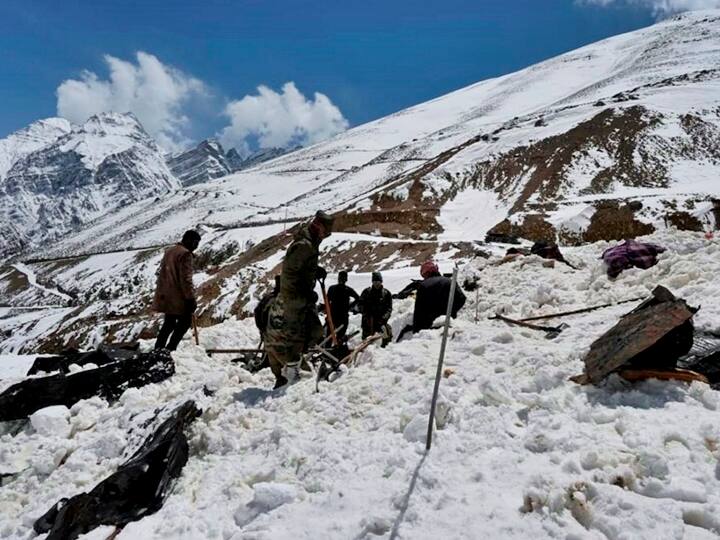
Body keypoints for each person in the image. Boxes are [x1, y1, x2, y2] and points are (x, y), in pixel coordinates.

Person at [265, 211, 333, 388]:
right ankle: (288, 374)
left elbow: (302, 267)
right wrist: (304, 293)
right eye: (325, 233)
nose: (325, 237)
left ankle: (294, 365)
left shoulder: (310, 243)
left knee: (315, 331)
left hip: (301, 296)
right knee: (293, 336)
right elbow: (290, 273)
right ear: (318, 227)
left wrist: (314, 270)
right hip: (293, 298)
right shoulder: (305, 245)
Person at [152, 230, 201, 351]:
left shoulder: (170, 250)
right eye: (196, 243)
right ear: (189, 241)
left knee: (169, 323)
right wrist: (190, 299)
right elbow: (186, 280)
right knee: (185, 321)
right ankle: (170, 348)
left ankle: (158, 348)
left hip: (166, 294)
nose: (196, 246)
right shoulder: (185, 254)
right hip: (178, 297)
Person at [412, 260, 466, 333]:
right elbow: (462, 299)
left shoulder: (424, 285)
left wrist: (416, 330)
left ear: (426, 273)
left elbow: (419, 311)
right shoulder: (450, 281)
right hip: (449, 324)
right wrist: (451, 312)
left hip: (430, 327)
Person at [360, 272, 393, 346]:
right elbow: (360, 304)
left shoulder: (386, 293)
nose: (376, 284)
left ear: (381, 282)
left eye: (378, 282)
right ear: (372, 282)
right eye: (375, 282)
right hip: (367, 323)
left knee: (384, 343)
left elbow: (389, 308)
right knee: (366, 344)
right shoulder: (366, 292)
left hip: (381, 322)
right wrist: (365, 313)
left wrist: (384, 318)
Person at [325, 270, 360, 340]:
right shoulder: (336, 288)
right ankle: (331, 348)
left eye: (343, 278)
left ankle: (334, 348)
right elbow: (327, 301)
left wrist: (349, 306)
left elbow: (358, 298)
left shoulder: (334, 288)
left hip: (338, 315)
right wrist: (350, 306)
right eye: (341, 278)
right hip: (336, 315)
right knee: (332, 336)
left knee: (335, 336)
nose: (342, 280)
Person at [254, 275, 281, 340]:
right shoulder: (295, 300)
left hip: (270, 338)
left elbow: (257, 312)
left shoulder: (268, 299)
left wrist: (263, 331)